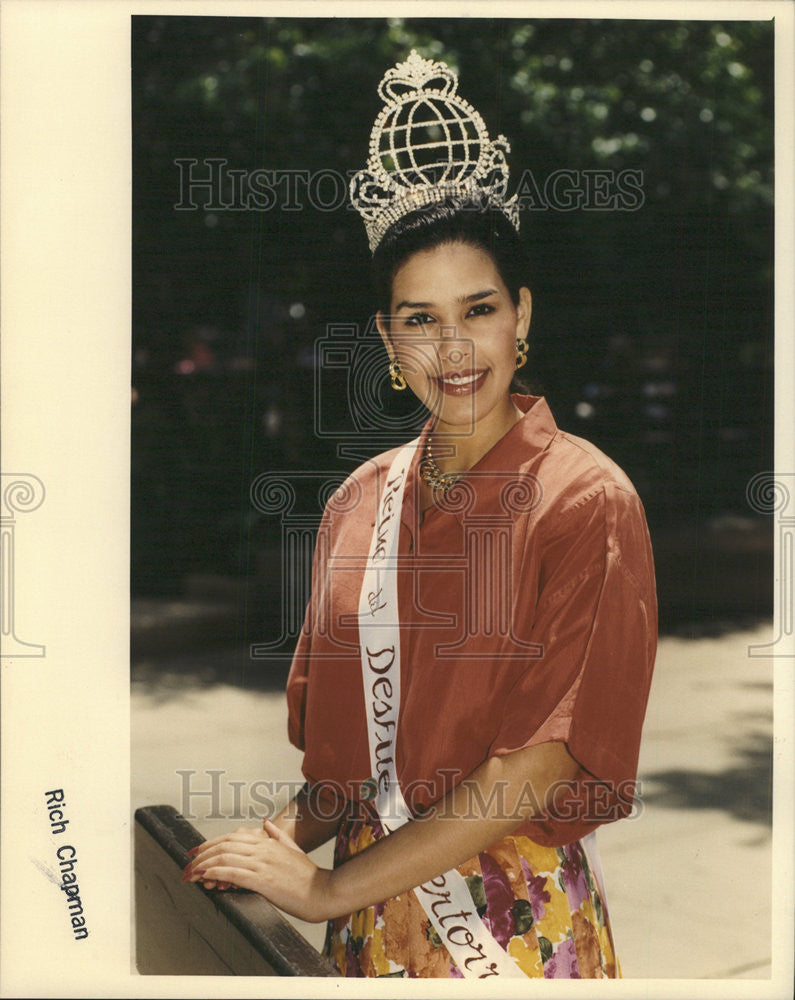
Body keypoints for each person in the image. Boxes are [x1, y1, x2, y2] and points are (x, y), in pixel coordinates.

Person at [182, 50, 657, 980]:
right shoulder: (360, 501)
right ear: (386, 340)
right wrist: (269, 845)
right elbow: (348, 768)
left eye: (477, 309)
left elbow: (535, 772)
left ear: (521, 315)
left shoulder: (586, 501)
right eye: (418, 319)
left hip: (510, 930)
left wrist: (319, 889)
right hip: (363, 926)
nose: (452, 349)